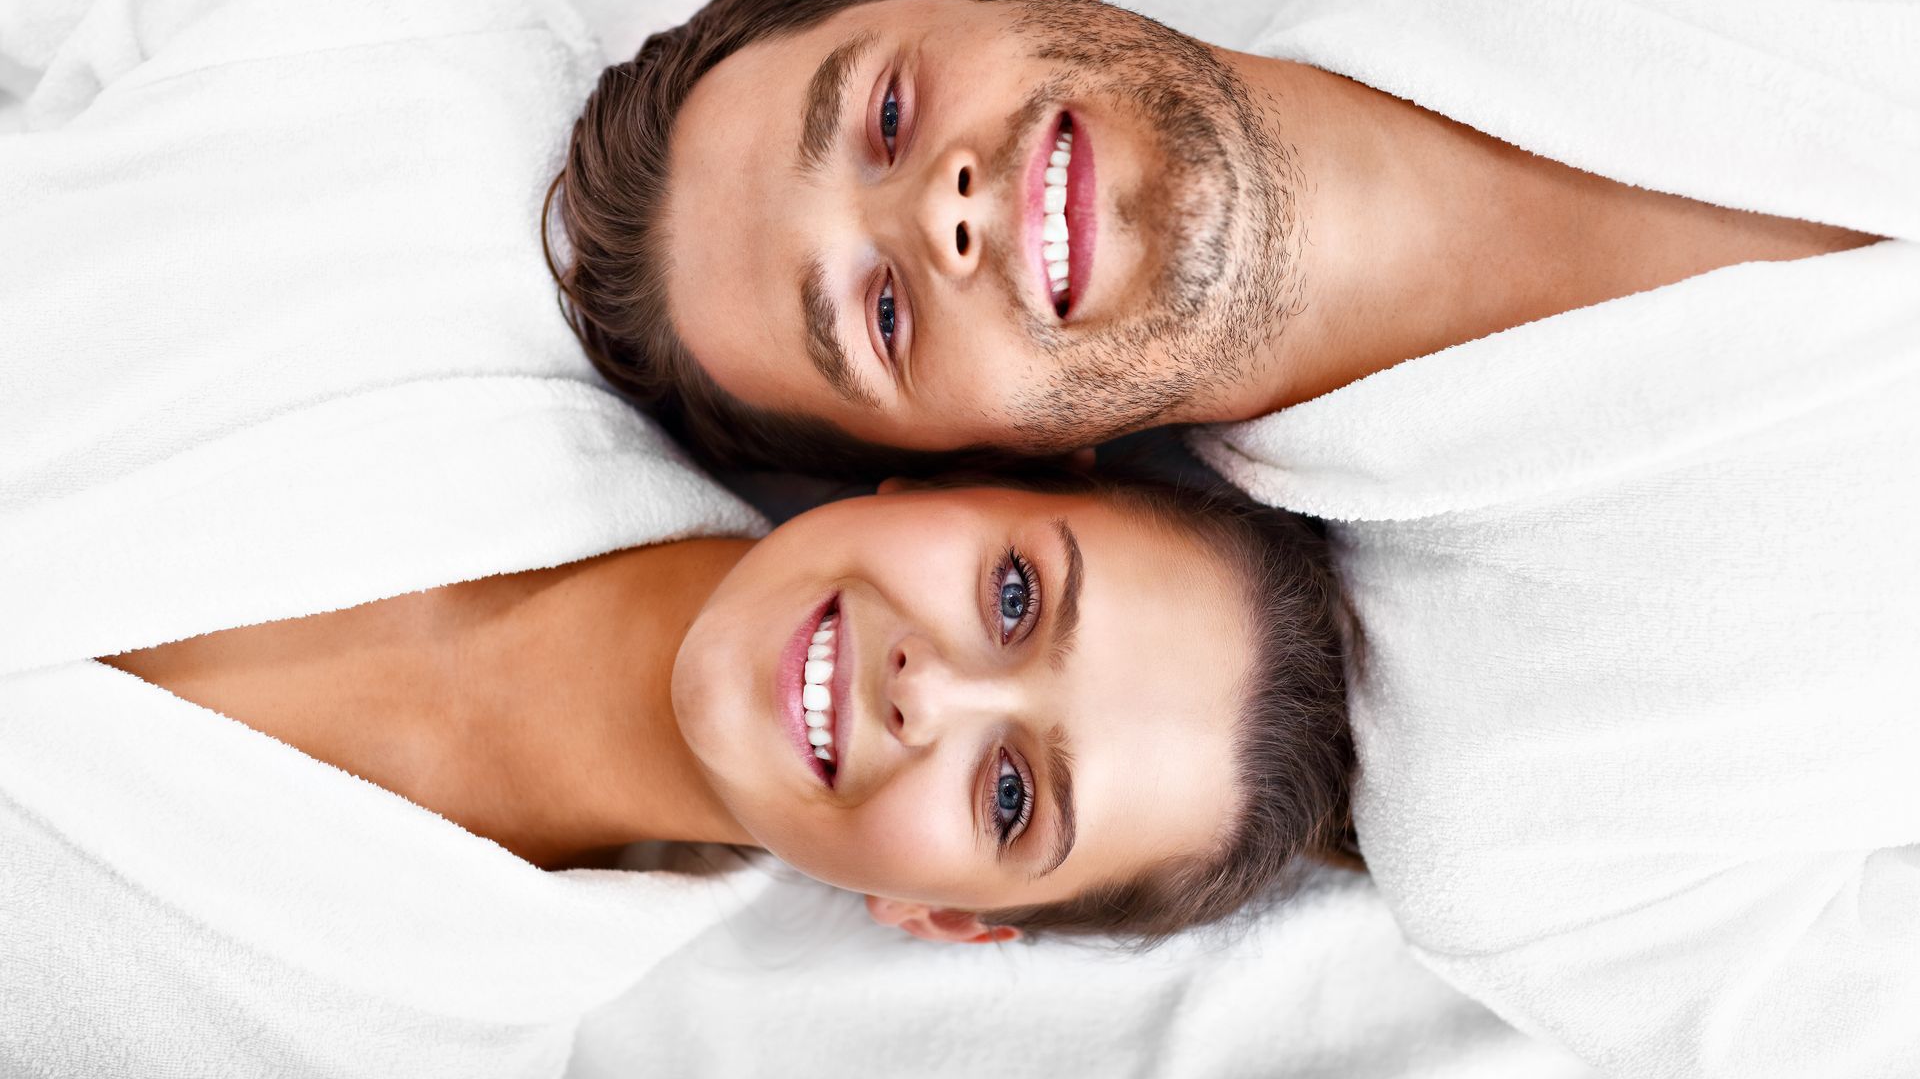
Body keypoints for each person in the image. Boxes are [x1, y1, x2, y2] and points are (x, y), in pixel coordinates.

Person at [545, 0, 1920, 1073]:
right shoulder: (1528, 835)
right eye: (884, 318)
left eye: (887, 117)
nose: (941, 215)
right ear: (997, 464)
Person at [109, 468, 1352, 944]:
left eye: (1013, 793)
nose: (933, 689)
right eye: (1017, 593)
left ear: (939, 915)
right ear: (953, 472)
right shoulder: (418, 105)